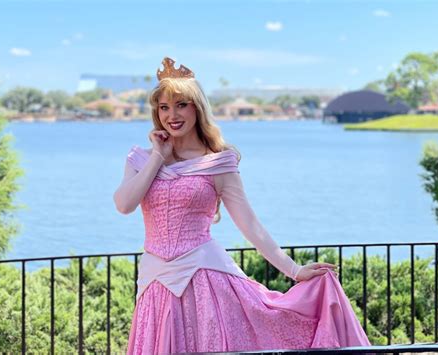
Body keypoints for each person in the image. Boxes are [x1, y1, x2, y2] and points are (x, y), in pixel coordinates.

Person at [114, 57, 371, 354]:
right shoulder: (141, 159)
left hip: (204, 278)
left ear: (197, 107)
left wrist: (294, 270)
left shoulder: (219, 163)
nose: (173, 115)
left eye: (181, 104)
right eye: (164, 107)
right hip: (154, 283)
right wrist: (158, 156)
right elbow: (124, 204)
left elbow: (250, 224)